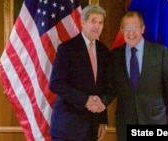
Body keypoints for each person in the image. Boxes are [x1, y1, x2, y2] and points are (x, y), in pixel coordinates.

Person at [100, 11, 168, 141]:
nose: (131, 32)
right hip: (125, 123)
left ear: (143, 29)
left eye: (135, 27)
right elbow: (111, 89)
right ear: (121, 30)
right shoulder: (114, 56)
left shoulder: (160, 52)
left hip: (154, 122)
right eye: (127, 28)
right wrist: (98, 103)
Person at [48, 4, 109, 141]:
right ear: (83, 22)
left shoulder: (104, 52)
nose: (97, 26)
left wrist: (102, 120)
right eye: (93, 21)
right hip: (67, 128)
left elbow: (104, 88)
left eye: (100, 22)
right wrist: (85, 100)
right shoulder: (67, 49)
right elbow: (56, 83)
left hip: (92, 128)